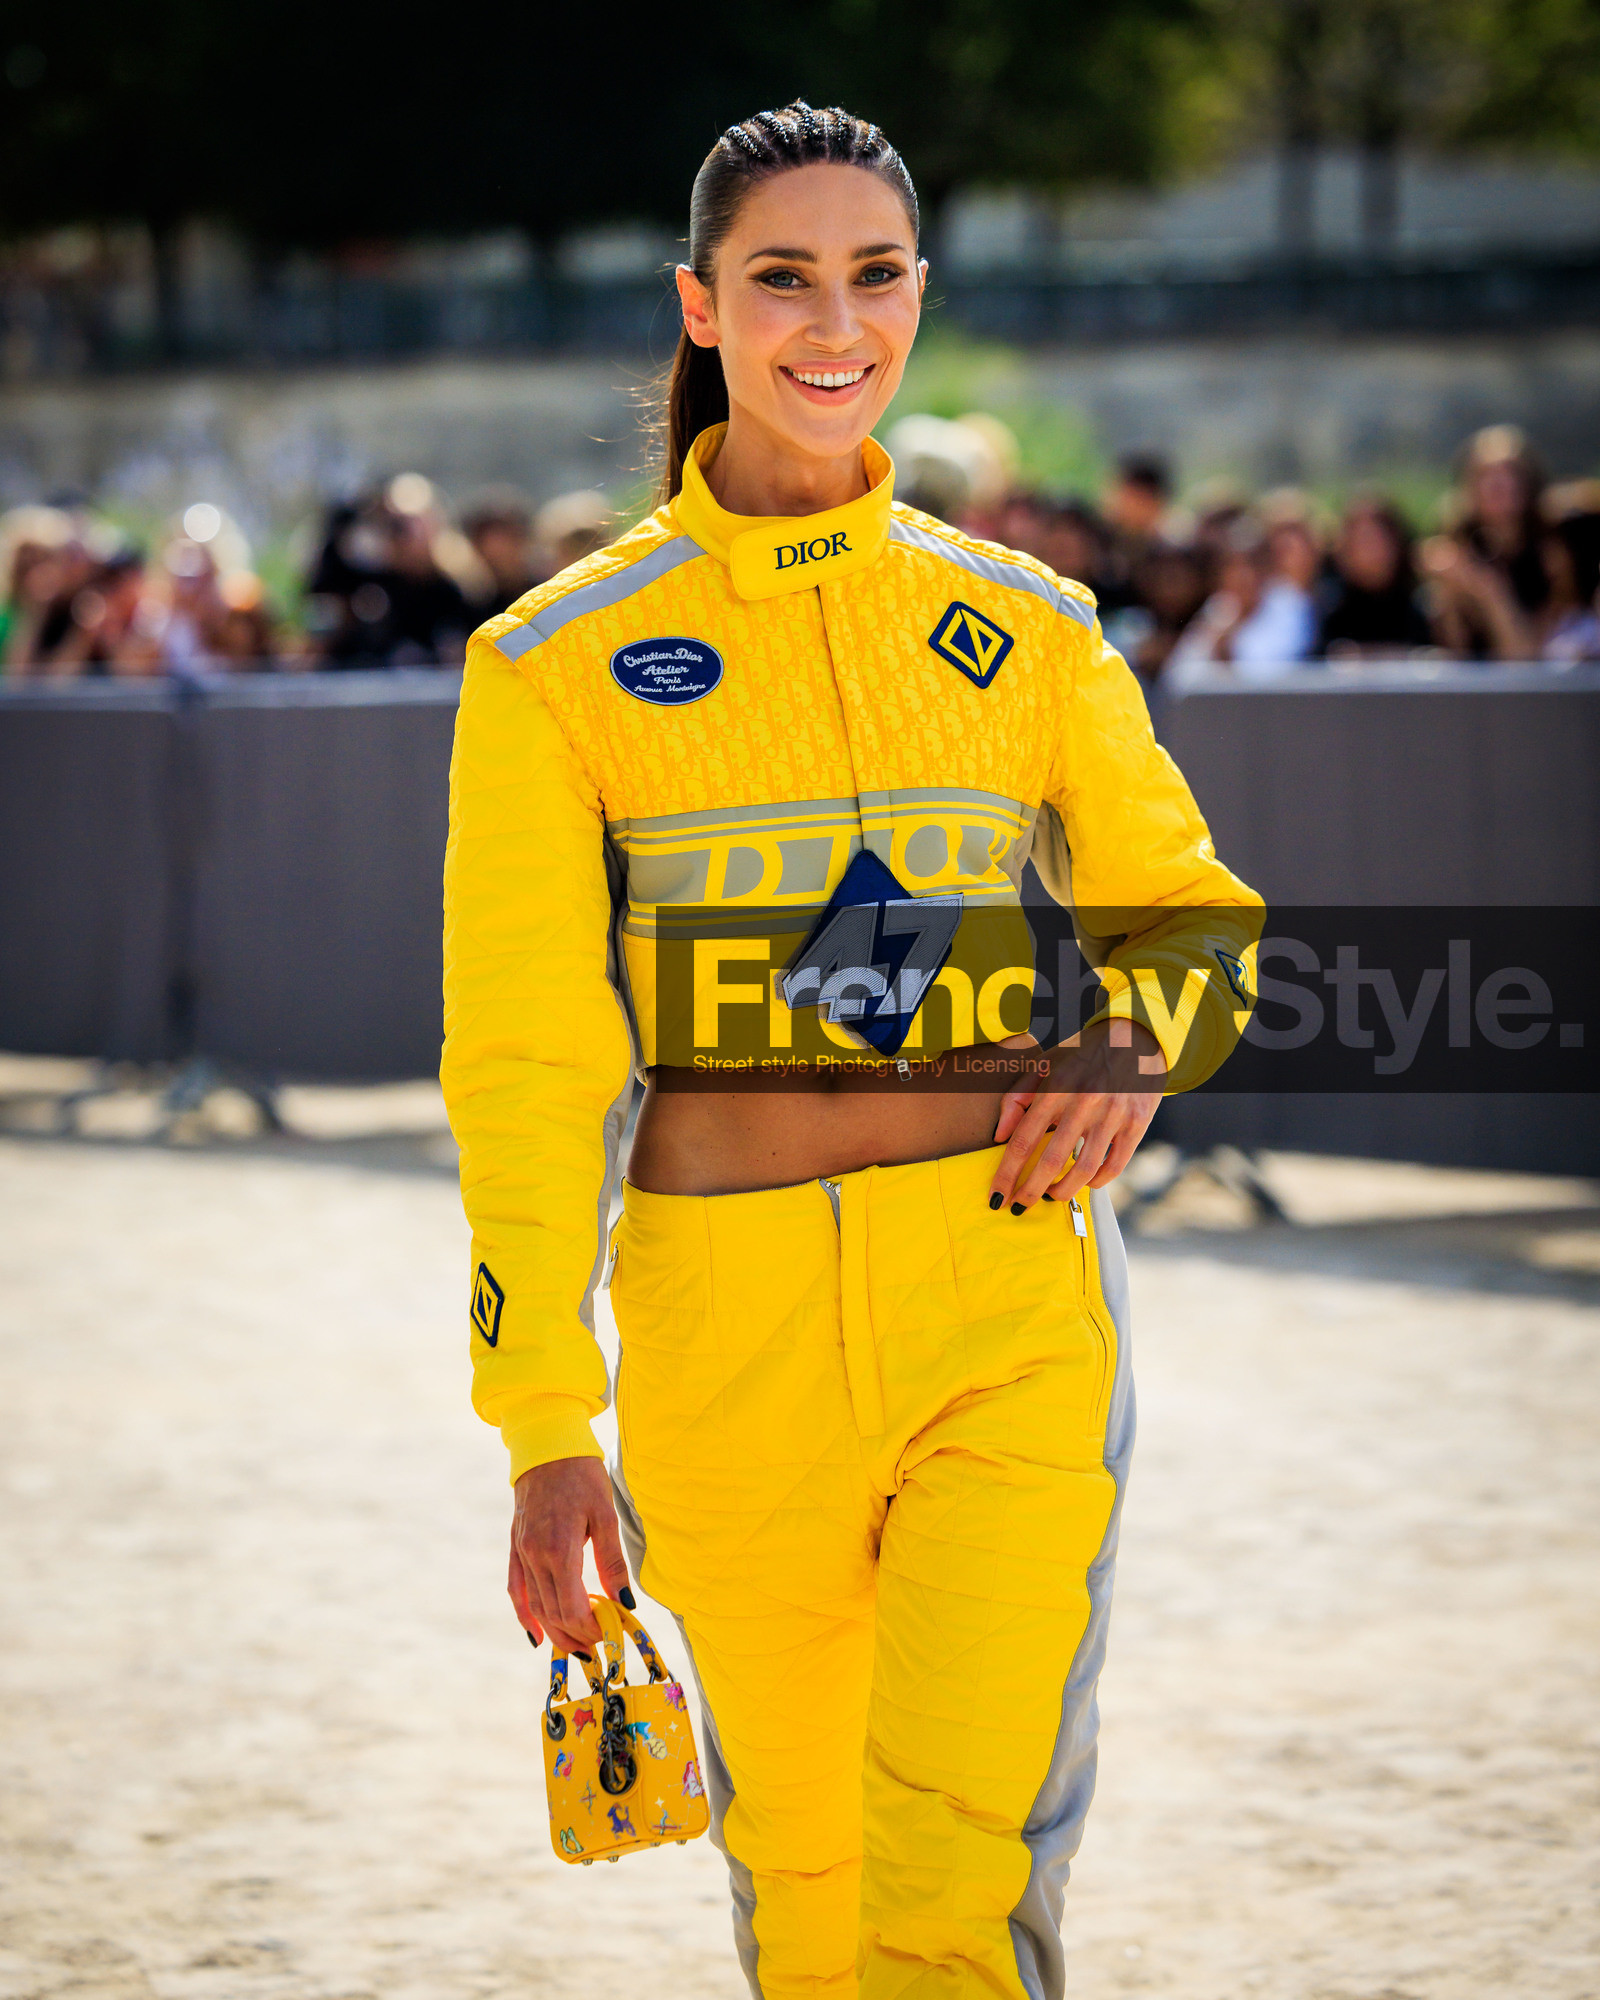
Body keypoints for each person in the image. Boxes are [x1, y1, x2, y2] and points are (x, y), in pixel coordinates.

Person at [441, 101, 1261, 2000]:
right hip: (727, 1353)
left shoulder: (1031, 627)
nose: (837, 317)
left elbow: (1194, 918)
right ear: (702, 305)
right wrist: (547, 1429)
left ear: (919, 297)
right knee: (805, 1893)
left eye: (876, 272)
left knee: (953, 1885)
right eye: (783, 274)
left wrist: (1135, 1038)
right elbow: (529, 1070)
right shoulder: (551, 665)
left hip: (1007, 1309)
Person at [1166, 515, 1316, 682]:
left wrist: (1226, 647)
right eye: (1234, 566)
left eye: (1253, 563)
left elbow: (1267, 676)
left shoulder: (1290, 603)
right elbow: (1179, 676)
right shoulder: (1219, 606)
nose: (1244, 575)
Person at [1317, 495, 1435, 659]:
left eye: (1375, 538)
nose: (1368, 550)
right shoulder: (1326, 605)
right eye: (1360, 540)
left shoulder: (1426, 602)